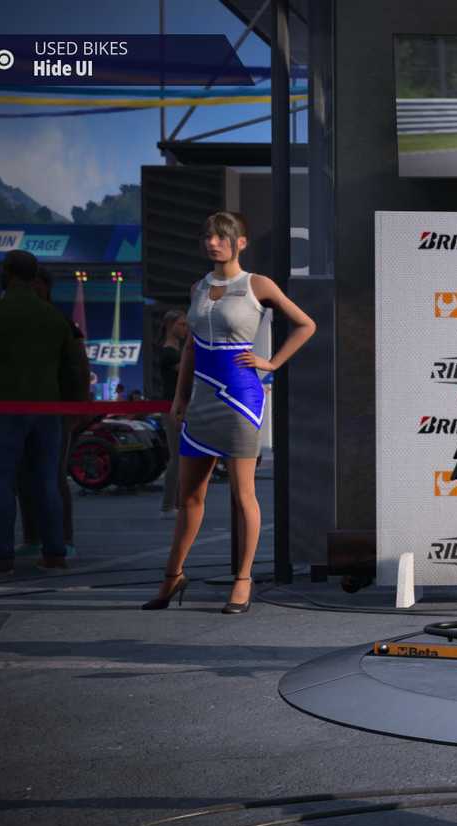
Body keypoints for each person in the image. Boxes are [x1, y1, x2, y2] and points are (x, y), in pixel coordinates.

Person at [144, 212, 316, 613]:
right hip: (201, 398)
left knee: (243, 495)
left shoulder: (258, 285)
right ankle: (173, 576)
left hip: (240, 399)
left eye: (222, 236)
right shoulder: (198, 287)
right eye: (207, 236)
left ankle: (243, 580)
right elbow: (189, 348)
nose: (213, 242)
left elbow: (306, 324)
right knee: (189, 496)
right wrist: (180, 398)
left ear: (241, 241)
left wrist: (271, 362)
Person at [0, 250, 77, 573]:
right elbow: (69, 370)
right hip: (48, 409)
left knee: (0, 480)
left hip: (6, 407)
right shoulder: (54, 318)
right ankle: (55, 552)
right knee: (47, 481)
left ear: (8, 273)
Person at [16, 266, 89, 555]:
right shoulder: (18, 323)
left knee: (53, 476)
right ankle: (32, 537)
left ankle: (64, 539)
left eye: (34, 285)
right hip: (20, 409)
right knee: (24, 476)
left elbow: (79, 369)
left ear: (45, 287)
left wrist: (78, 406)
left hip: (56, 411)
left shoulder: (63, 324)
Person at [155, 308, 187, 515]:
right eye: (182, 325)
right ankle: (168, 505)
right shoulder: (169, 352)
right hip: (172, 407)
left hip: (179, 406)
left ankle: (176, 502)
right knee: (176, 457)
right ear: (169, 325)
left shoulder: (176, 350)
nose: (185, 329)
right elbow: (187, 371)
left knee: (181, 457)